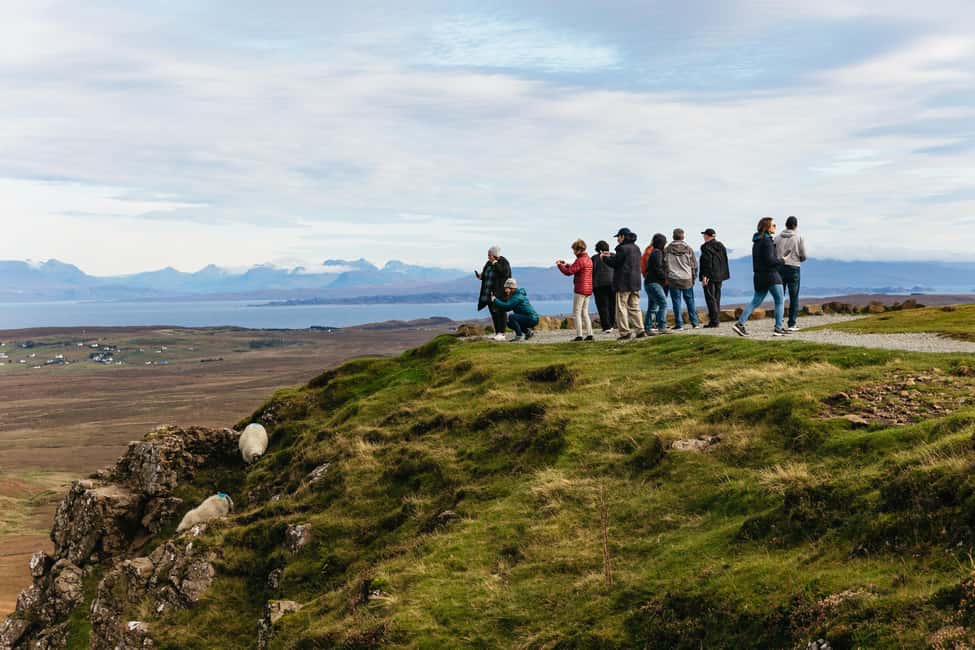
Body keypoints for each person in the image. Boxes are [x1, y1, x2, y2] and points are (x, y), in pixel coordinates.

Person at [733, 217, 787, 337]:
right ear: (767, 227)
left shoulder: (756, 242)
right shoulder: (767, 241)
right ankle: (778, 328)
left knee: (755, 302)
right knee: (780, 301)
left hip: (759, 276)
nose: (775, 227)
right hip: (771, 276)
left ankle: (740, 324)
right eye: (773, 225)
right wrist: (782, 260)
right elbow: (770, 261)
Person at [601, 227, 645, 340]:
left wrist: (604, 258)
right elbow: (624, 261)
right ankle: (640, 330)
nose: (617, 240)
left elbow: (616, 263)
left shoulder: (622, 249)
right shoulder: (636, 248)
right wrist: (611, 254)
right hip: (635, 282)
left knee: (621, 308)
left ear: (623, 236)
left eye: (618, 237)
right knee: (635, 307)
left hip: (623, 283)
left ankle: (625, 332)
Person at [556, 239, 594, 341]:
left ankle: (579, 335)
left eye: (574, 250)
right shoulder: (588, 259)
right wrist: (567, 264)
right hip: (588, 289)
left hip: (580, 289)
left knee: (576, 312)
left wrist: (560, 265)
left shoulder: (580, 260)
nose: (573, 252)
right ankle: (590, 334)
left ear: (578, 250)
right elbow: (576, 268)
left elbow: (569, 272)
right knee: (585, 312)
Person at [775, 216, 807, 331]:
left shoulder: (777, 238)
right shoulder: (798, 238)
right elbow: (803, 255)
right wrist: (798, 259)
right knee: (794, 297)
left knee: (779, 297)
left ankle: (779, 322)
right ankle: (792, 324)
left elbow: (773, 254)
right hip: (793, 268)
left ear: (785, 225)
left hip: (779, 268)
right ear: (795, 225)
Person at [664, 228, 699, 329]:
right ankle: (694, 323)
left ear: (673, 236)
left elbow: (664, 264)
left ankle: (679, 324)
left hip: (673, 278)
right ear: (683, 237)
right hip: (687, 278)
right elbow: (694, 265)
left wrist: (667, 276)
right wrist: (693, 277)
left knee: (676, 301)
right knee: (690, 301)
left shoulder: (667, 249)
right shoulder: (688, 248)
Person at [475, 246, 511, 341]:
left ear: (495, 255)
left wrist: (495, 263)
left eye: (489, 255)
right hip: (489, 293)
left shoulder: (503, 262)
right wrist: (481, 276)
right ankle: (497, 333)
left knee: (501, 312)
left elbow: (504, 273)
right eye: (488, 255)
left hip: (500, 293)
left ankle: (502, 333)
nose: (488, 257)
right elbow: (487, 274)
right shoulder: (488, 263)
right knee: (493, 312)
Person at [699, 228, 730, 328]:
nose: (704, 236)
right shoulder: (721, 246)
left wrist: (704, 277)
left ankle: (714, 321)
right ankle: (716, 319)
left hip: (709, 276)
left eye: (705, 235)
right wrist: (723, 275)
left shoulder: (705, 247)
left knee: (710, 298)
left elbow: (706, 263)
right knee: (717, 298)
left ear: (708, 236)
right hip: (719, 276)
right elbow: (724, 261)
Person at [492, 278, 539, 342]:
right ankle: (528, 333)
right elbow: (507, 307)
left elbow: (507, 306)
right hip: (530, 317)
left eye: (507, 288)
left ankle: (519, 336)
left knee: (512, 317)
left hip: (531, 318)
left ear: (512, 288)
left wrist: (495, 300)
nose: (505, 290)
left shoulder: (517, 297)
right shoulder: (515, 295)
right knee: (510, 323)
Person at [643, 233, 669, 334]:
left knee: (652, 307)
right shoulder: (657, 252)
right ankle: (661, 326)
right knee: (663, 304)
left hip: (649, 283)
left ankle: (648, 328)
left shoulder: (654, 252)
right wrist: (665, 278)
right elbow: (657, 268)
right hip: (655, 283)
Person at [591, 240, 616, 333]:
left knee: (602, 306)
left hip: (599, 285)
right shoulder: (613, 256)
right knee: (612, 305)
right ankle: (612, 324)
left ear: (598, 249)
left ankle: (606, 326)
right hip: (613, 284)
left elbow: (591, 272)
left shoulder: (594, 258)